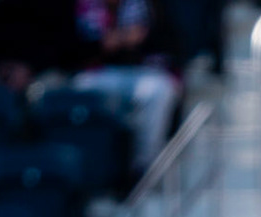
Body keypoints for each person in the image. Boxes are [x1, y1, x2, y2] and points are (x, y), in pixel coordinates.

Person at [69, 0, 182, 172]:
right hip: (100, 72)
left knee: (159, 91)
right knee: (81, 88)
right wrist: (103, 44)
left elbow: (170, 47)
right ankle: (90, 166)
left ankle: (144, 166)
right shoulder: (84, 6)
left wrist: (139, 40)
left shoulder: (149, 6)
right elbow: (70, 52)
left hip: (143, 72)